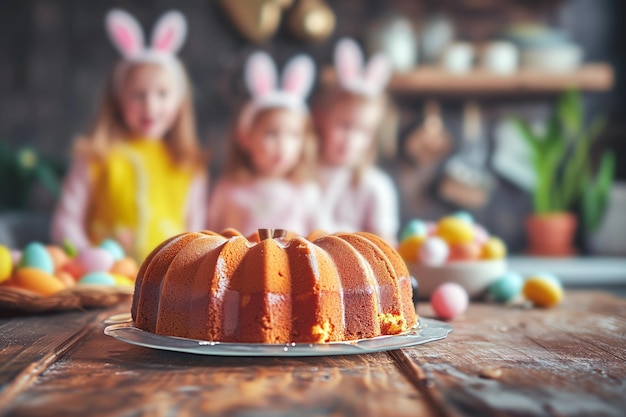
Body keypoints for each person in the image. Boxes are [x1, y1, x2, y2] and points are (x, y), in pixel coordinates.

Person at [51, 9, 207, 261]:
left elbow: (197, 234)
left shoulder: (188, 165)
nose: (150, 107)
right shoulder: (97, 155)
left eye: (162, 94)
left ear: (180, 102)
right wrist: (88, 260)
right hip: (105, 286)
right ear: (118, 100)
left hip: (166, 291)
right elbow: (66, 222)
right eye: (138, 94)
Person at [207, 51, 319, 237]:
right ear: (245, 137)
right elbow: (212, 238)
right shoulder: (229, 190)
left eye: (293, 135)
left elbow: (322, 241)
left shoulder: (305, 192)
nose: (282, 145)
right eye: (271, 133)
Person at [313, 38, 399, 244]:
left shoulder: (375, 186)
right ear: (321, 119)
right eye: (344, 126)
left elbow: (385, 248)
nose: (351, 139)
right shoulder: (302, 177)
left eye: (363, 131)